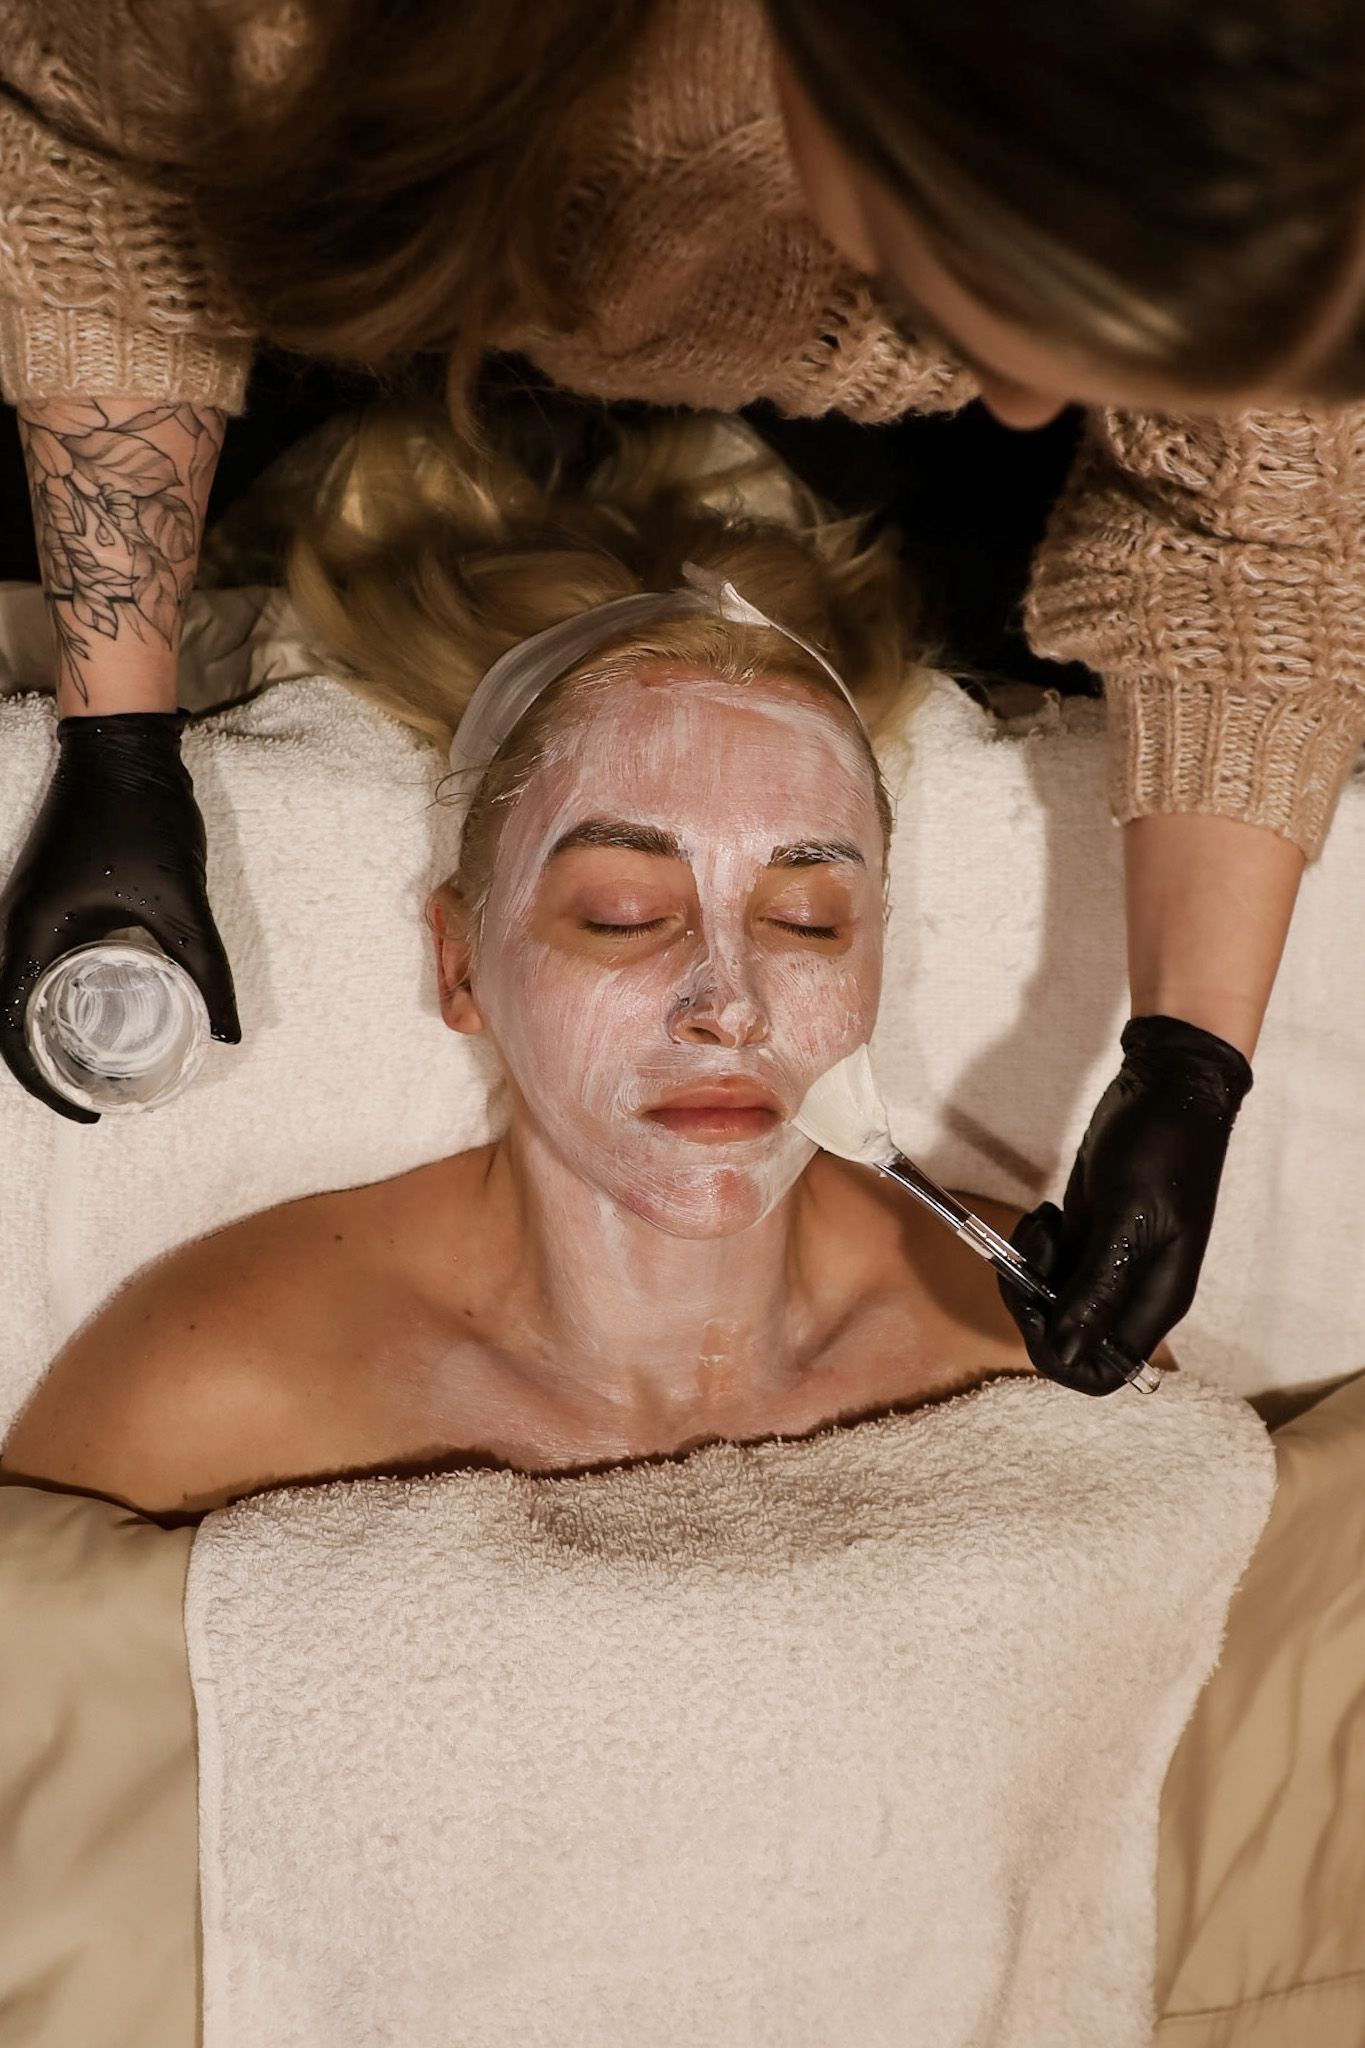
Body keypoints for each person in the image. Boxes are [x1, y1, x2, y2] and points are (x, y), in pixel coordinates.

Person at [0, 0, 1356, 1396]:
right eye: (620, 909)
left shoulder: (1262, 111)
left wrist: (1190, 1056)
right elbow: (110, 203)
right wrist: (116, 730)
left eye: (814, 911)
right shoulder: (220, 1376)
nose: (729, 1005)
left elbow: (1261, 519)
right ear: (454, 961)